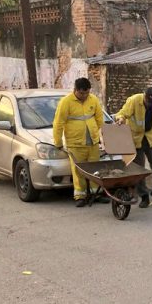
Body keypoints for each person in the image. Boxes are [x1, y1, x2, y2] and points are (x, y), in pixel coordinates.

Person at [53, 77, 105, 207]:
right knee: (78, 171)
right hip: (75, 143)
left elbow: (99, 119)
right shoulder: (66, 102)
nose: (84, 95)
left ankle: (95, 193)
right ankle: (80, 196)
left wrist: (102, 136)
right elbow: (58, 123)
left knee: (95, 169)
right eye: (82, 93)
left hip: (92, 141)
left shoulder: (93, 99)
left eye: (87, 92)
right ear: (75, 90)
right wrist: (58, 142)